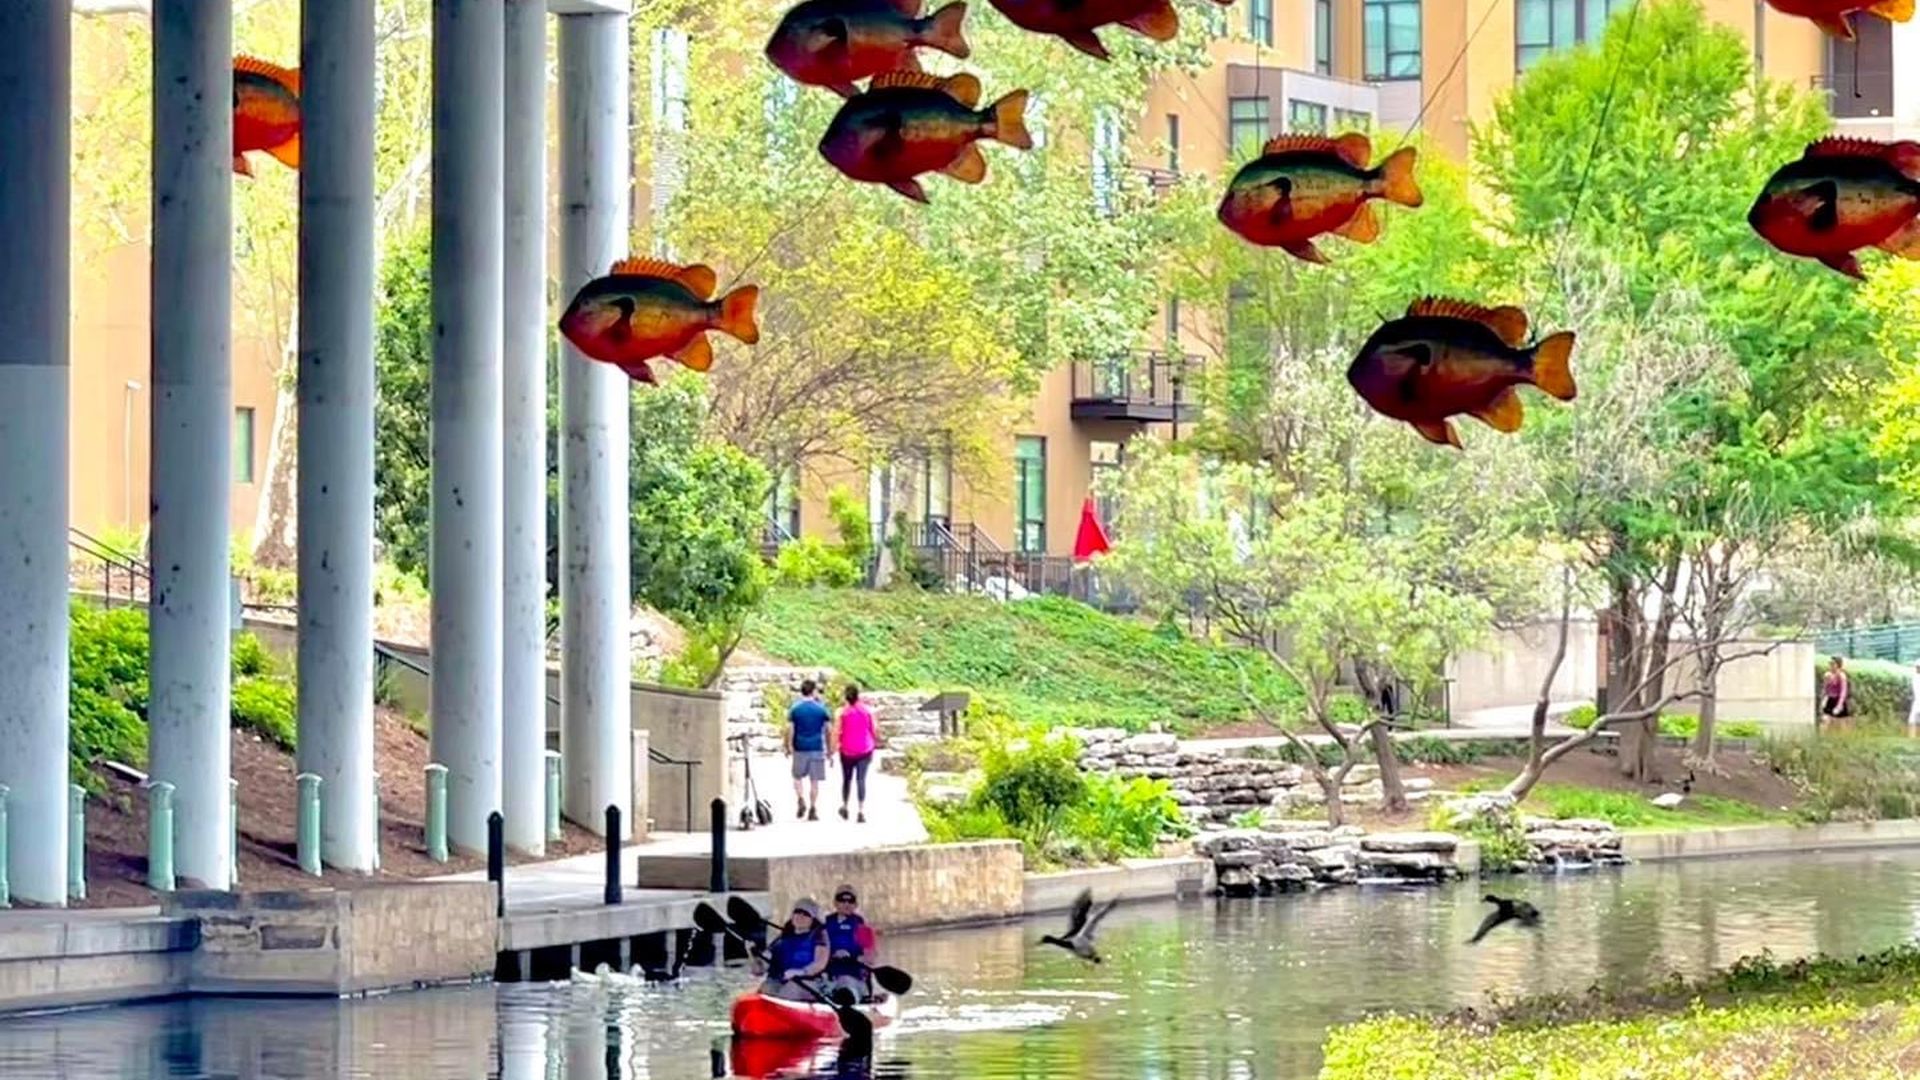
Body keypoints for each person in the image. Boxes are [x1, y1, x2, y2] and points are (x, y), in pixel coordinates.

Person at [752, 898, 831, 1001]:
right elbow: (758, 970)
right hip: (781, 981)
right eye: (797, 912)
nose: (800, 916)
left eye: (806, 914)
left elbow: (820, 964)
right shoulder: (782, 939)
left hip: (808, 982)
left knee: (791, 989)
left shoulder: (819, 936)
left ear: (813, 920)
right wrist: (753, 954)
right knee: (766, 988)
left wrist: (800, 972)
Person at [822, 884, 879, 1002]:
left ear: (856, 904)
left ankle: (852, 997)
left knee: (845, 984)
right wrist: (832, 955)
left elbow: (871, 958)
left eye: (850, 900)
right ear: (835, 903)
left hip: (853, 976)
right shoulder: (824, 924)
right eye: (841, 899)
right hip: (828, 976)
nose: (846, 904)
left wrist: (852, 956)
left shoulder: (862, 927)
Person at [787, 679, 832, 820]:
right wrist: (830, 749)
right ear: (813, 691)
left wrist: (788, 745)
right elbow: (828, 730)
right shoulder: (821, 709)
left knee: (797, 777)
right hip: (816, 748)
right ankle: (813, 808)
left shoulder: (795, 709)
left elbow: (790, 728)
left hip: (800, 747)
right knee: (814, 781)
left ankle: (800, 798)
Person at [836, 685, 879, 823]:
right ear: (858, 695)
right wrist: (874, 743)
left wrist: (833, 748)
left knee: (847, 779)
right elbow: (874, 729)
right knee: (861, 779)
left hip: (847, 750)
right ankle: (861, 811)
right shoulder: (867, 711)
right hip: (865, 749)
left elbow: (837, 731)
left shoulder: (842, 713)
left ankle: (845, 805)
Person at [1821, 656, 1850, 723]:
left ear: (1837, 665)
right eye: (1830, 663)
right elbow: (1825, 690)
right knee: (1826, 721)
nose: (1830, 665)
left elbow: (1843, 692)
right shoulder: (1828, 675)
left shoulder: (1842, 676)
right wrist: (1824, 699)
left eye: (1833, 663)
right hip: (1830, 700)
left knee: (1839, 723)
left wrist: (1839, 706)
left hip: (1838, 700)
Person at [1908, 659, 1920, 736]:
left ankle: (1912, 736)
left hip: (1918, 700)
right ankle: (1912, 736)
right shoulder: (1915, 677)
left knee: (1913, 719)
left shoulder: (1916, 677)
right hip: (1917, 700)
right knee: (1912, 719)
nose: (1917, 669)